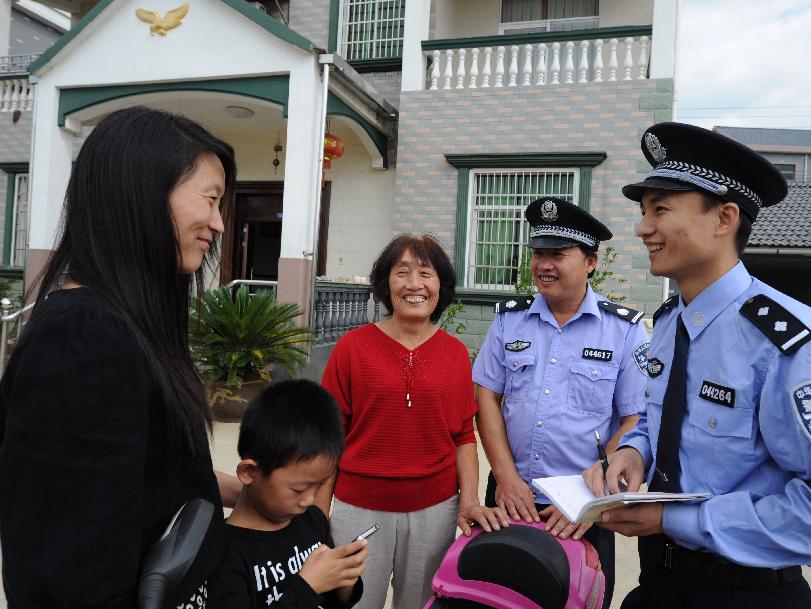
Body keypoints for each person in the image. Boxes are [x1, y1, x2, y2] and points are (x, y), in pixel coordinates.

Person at [586, 121, 811, 608]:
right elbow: (664, 423)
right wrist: (633, 453)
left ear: (723, 219)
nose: (642, 228)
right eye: (643, 211)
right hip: (659, 580)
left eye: (660, 209)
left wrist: (673, 520)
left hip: (746, 592)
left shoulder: (789, 341)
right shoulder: (668, 323)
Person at [0, 106, 240, 607]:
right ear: (144, 193)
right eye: (211, 200)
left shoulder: (125, 328)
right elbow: (68, 567)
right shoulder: (83, 339)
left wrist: (237, 491)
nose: (218, 224)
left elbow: (129, 479)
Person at [472, 196, 650, 609]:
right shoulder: (509, 319)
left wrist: (583, 497)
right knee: (500, 596)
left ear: (590, 261)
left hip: (583, 504)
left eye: (558, 254)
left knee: (576, 597)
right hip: (510, 496)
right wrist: (504, 474)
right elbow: (487, 395)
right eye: (538, 253)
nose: (544, 264)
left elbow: (634, 419)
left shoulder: (623, 330)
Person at [318, 233, 508, 609]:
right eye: (401, 272)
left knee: (421, 604)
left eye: (426, 272)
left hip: (435, 513)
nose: (414, 284)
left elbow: (463, 436)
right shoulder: (351, 348)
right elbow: (327, 436)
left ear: (441, 285)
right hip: (359, 509)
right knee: (351, 603)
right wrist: (317, 514)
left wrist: (468, 501)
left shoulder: (454, 354)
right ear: (386, 283)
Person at [209, 380, 366, 608]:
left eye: (320, 485)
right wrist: (307, 587)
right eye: (299, 489)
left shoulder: (311, 520)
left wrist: (343, 583)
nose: (310, 500)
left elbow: (332, 602)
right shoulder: (223, 555)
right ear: (249, 472)